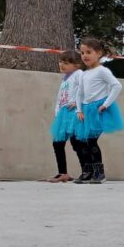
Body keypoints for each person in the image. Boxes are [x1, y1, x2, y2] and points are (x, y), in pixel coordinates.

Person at [72, 38, 124, 184]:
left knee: (91, 141)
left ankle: (99, 173)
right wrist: (78, 110)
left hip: (97, 111)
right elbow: (79, 93)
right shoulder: (84, 74)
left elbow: (117, 86)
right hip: (85, 111)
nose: (85, 55)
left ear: (99, 53)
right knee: (81, 142)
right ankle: (87, 171)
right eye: (82, 53)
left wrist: (106, 104)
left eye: (89, 52)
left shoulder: (102, 71)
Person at [47, 49, 86, 182]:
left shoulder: (79, 74)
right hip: (63, 114)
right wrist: (57, 113)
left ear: (77, 65)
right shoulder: (65, 78)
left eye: (66, 63)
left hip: (74, 114)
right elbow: (60, 98)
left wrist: (77, 102)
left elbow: (86, 89)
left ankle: (86, 171)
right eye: (60, 62)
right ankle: (62, 173)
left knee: (77, 143)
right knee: (57, 143)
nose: (62, 65)